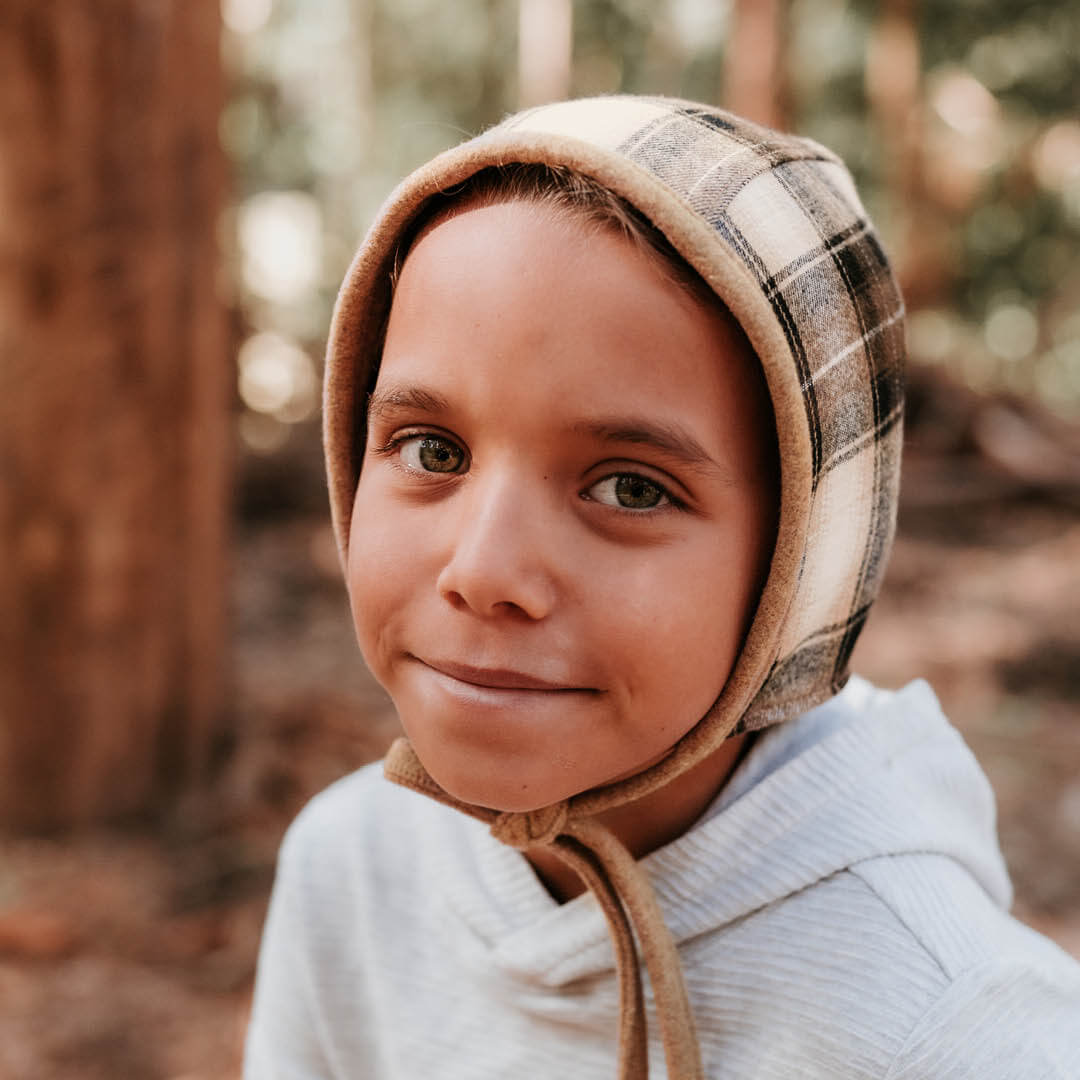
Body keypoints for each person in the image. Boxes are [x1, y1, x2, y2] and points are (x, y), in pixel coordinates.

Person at [244, 96, 1080, 1079]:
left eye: (631, 488)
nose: (483, 571)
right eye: (433, 450)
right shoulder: (349, 868)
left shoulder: (956, 1027)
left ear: (801, 567)